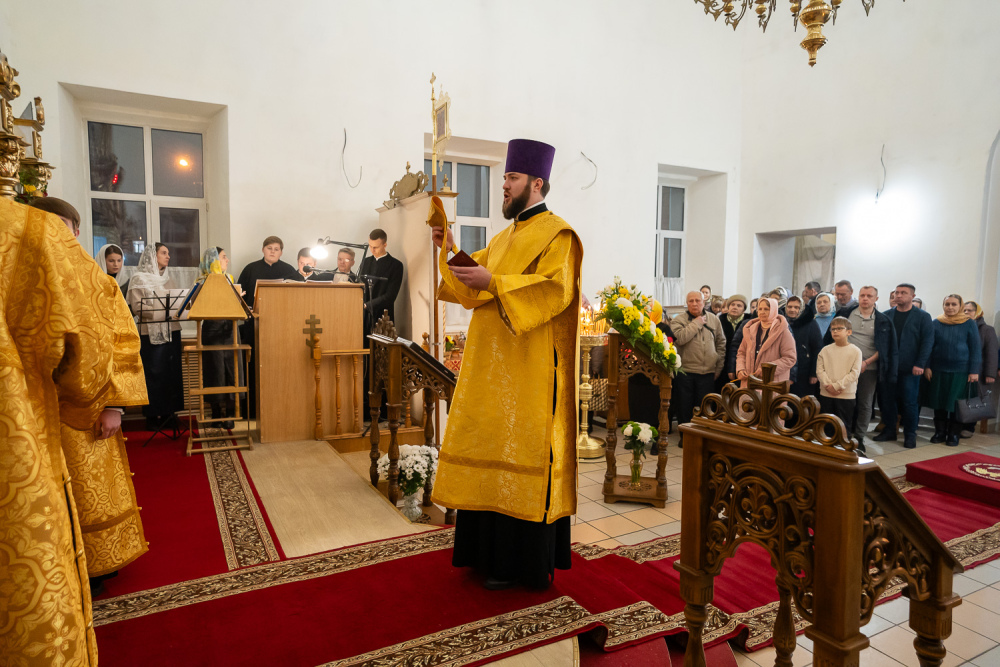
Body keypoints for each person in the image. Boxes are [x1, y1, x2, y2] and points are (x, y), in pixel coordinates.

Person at [431, 138, 581, 591]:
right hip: (490, 372)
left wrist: (495, 282)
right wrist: (449, 247)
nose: (504, 186)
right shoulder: (502, 238)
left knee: (522, 452)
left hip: (530, 372)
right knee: (489, 446)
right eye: (504, 179)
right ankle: (483, 554)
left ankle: (521, 565)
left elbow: (557, 291)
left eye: (512, 179)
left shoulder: (560, 236)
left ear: (536, 183)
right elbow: (470, 286)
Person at [2, 197, 124, 664]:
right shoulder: (46, 257)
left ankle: (91, 564)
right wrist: (96, 395)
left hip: (53, 405)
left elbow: (108, 336)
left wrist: (107, 401)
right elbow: (88, 342)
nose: (68, 238)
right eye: (63, 228)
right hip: (41, 401)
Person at [236, 236, 302, 417]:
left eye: (277, 249)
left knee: (277, 367)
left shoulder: (288, 270)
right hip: (253, 325)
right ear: (263, 249)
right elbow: (238, 294)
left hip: (281, 327)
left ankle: (278, 409)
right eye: (269, 248)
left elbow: (299, 295)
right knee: (253, 367)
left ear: (281, 252)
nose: (273, 251)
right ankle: (250, 410)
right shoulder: (251, 268)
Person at [827, 285, 898, 450]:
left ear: (876, 299)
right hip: (844, 367)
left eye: (869, 296)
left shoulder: (883, 320)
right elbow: (832, 337)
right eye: (862, 295)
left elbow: (886, 348)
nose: (865, 299)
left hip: (869, 368)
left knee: (865, 403)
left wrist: (865, 362)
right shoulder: (846, 314)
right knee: (843, 401)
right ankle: (842, 435)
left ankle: (859, 438)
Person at [127, 244, 184, 429]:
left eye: (169, 253)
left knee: (172, 373)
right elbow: (137, 307)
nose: (168, 256)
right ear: (153, 256)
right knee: (153, 374)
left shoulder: (168, 278)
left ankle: (169, 415)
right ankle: (152, 417)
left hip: (172, 331)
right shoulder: (138, 279)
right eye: (164, 253)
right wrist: (160, 313)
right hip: (148, 333)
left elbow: (177, 303)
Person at [874, 283, 934, 448]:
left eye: (903, 293)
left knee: (909, 402)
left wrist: (920, 364)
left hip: (910, 368)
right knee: (887, 401)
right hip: (888, 367)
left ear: (912, 296)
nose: (898, 295)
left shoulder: (923, 316)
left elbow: (927, 342)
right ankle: (890, 431)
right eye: (897, 293)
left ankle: (910, 434)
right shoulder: (885, 316)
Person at [920, 295, 981, 446]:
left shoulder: (969, 324)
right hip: (937, 370)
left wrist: (974, 370)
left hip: (961, 372)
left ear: (960, 306)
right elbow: (929, 346)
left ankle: (953, 434)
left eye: (954, 304)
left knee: (956, 405)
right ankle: (940, 432)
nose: (950, 307)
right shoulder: (936, 323)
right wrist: (927, 366)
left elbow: (975, 348)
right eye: (947, 304)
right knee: (939, 402)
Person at [672, 291, 726, 444]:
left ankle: (702, 436)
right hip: (685, 371)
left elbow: (721, 344)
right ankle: (685, 437)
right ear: (687, 303)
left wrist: (718, 368)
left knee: (704, 406)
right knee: (684, 406)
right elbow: (680, 339)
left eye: (697, 300)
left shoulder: (714, 320)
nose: (694, 304)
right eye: (691, 301)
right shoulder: (679, 320)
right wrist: (696, 323)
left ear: (704, 302)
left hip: (708, 371)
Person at [199, 247, 239, 429]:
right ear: (213, 260)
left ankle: (230, 414)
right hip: (212, 330)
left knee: (233, 371)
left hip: (230, 328)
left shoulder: (229, 279)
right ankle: (216, 413)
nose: (227, 260)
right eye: (223, 257)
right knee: (214, 371)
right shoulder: (202, 281)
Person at [816, 317, 863, 444]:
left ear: (849, 332)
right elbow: (820, 370)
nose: (835, 331)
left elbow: (854, 373)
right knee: (827, 425)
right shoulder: (825, 350)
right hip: (826, 393)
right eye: (833, 329)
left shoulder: (855, 351)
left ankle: (843, 451)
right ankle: (827, 452)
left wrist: (837, 386)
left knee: (843, 426)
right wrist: (828, 385)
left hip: (846, 394)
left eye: (839, 328)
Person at [735, 297, 796, 387]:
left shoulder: (783, 331)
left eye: (766, 309)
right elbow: (741, 353)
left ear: (774, 310)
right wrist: (740, 369)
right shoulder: (750, 329)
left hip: (772, 383)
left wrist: (767, 369)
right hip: (749, 383)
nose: (762, 312)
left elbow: (789, 358)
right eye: (760, 309)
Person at [961, 301, 999, 437]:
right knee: (960, 399)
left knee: (973, 399)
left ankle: (969, 428)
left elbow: (992, 352)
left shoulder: (986, 329)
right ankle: (957, 426)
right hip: (961, 371)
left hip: (979, 371)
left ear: (978, 313)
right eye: (964, 310)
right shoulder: (960, 326)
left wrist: (990, 373)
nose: (966, 313)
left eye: (969, 310)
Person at [358, 228, 404, 325]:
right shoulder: (365, 262)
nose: (372, 250)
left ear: (385, 245)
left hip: (383, 317)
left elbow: (390, 296)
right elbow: (360, 285)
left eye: (376, 247)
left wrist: (368, 305)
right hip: (363, 316)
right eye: (370, 246)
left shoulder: (395, 265)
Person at [785, 296, 822, 399]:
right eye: (790, 307)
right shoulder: (782, 323)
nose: (792, 310)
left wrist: (814, 373)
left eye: (796, 307)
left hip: (804, 372)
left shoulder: (810, 323)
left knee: (802, 404)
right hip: (785, 370)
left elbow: (817, 349)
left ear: (801, 308)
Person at [720, 294, 749, 391]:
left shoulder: (749, 322)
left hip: (742, 366)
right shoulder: (720, 320)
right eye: (732, 304)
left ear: (744, 309)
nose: (735, 307)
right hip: (722, 364)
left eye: (739, 305)